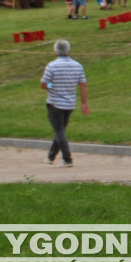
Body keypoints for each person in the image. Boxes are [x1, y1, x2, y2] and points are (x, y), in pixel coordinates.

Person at [40, 39, 89, 167]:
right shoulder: (78, 66)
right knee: (60, 130)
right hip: (70, 103)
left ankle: (67, 159)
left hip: (54, 103)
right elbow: (83, 85)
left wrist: (52, 86)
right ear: (69, 51)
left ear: (55, 51)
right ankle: (50, 156)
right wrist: (84, 103)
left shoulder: (52, 66)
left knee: (59, 131)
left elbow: (43, 84)